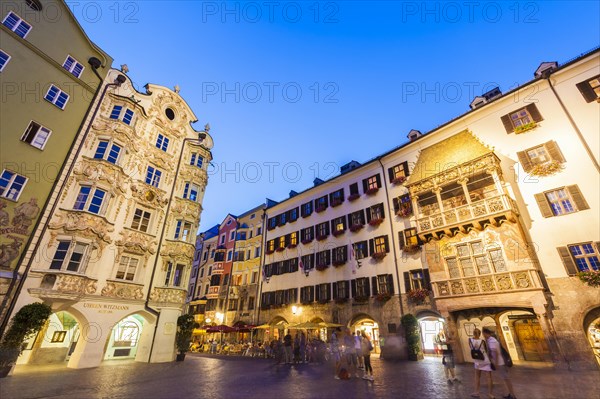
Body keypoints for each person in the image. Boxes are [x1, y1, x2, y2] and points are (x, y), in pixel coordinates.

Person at [483, 327, 517, 399]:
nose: (483, 335)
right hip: (500, 362)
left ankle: (512, 395)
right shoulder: (491, 340)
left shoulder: (492, 341)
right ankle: (508, 394)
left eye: (483, 333)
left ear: (485, 333)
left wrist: (496, 363)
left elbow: (495, 352)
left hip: (500, 363)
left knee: (506, 378)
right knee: (504, 378)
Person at [470, 328, 494, 399]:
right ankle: (490, 394)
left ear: (473, 333)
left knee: (477, 377)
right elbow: (487, 350)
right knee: (489, 378)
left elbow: (471, 348)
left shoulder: (470, 341)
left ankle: (476, 392)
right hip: (485, 360)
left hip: (477, 361)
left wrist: (473, 337)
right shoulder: (483, 341)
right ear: (480, 334)